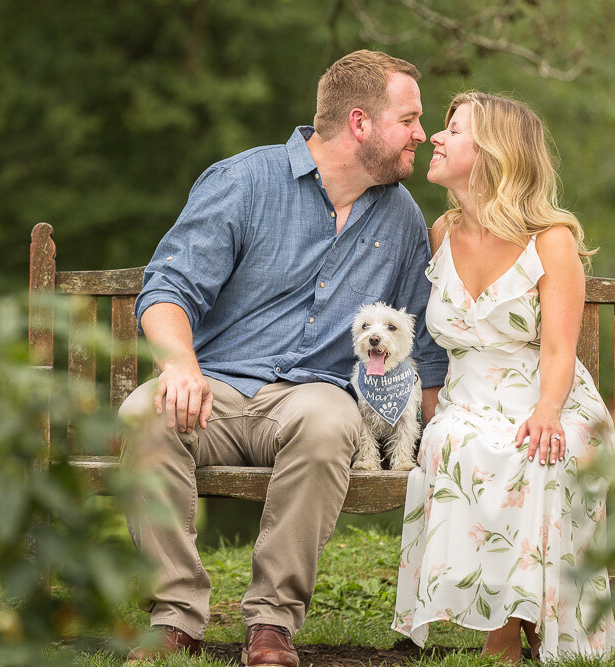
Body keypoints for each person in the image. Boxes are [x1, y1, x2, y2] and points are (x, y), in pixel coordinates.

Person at [118, 50, 447, 666]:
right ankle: (177, 617)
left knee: (328, 421)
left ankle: (272, 626)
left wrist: (435, 435)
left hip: (314, 397)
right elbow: (167, 288)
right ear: (359, 123)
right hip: (216, 388)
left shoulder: (401, 217)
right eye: (409, 119)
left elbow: (420, 344)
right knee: (145, 414)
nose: (420, 135)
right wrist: (179, 365)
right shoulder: (244, 182)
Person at [391, 91, 615, 662]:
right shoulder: (440, 233)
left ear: (493, 153)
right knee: (450, 441)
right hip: (467, 397)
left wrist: (546, 411)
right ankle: (508, 621)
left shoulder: (551, 240)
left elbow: (559, 350)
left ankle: (514, 627)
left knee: (538, 450)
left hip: (547, 391)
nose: (434, 139)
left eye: (453, 130)